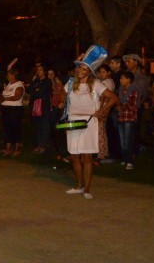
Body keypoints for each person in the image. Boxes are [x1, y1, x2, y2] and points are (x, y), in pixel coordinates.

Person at [63, 46, 118, 199]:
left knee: (87, 157)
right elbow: (64, 101)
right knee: (74, 156)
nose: (80, 70)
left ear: (89, 72)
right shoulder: (70, 84)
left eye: (84, 69)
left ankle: (86, 189)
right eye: (79, 67)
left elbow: (113, 98)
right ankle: (78, 185)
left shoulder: (95, 85)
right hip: (73, 122)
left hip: (89, 122)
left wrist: (102, 110)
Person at [0, 67, 25, 157]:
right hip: (6, 109)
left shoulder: (19, 84)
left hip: (15, 110)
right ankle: (8, 148)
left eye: (9, 74)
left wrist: (5, 98)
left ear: (13, 75)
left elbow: (17, 96)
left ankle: (17, 148)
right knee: (7, 128)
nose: (7, 76)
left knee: (15, 128)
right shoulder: (8, 85)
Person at [116, 71, 139, 170]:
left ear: (129, 80)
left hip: (129, 118)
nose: (120, 80)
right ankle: (125, 159)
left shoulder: (134, 91)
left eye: (123, 78)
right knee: (122, 141)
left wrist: (120, 105)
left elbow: (132, 105)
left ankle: (129, 161)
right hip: (121, 117)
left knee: (128, 140)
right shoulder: (121, 90)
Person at [28, 62, 53, 153]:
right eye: (37, 70)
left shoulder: (47, 81)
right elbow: (30, 90)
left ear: (44, 71)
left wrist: (36, 91)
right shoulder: (36, 81)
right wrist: (36, 90)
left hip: (44, 107)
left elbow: (41, 92)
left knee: (45, 127)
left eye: (41, 70)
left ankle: (44, 145)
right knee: (37, 127)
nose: (39, 72)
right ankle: (39, 145)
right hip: (35, 107)